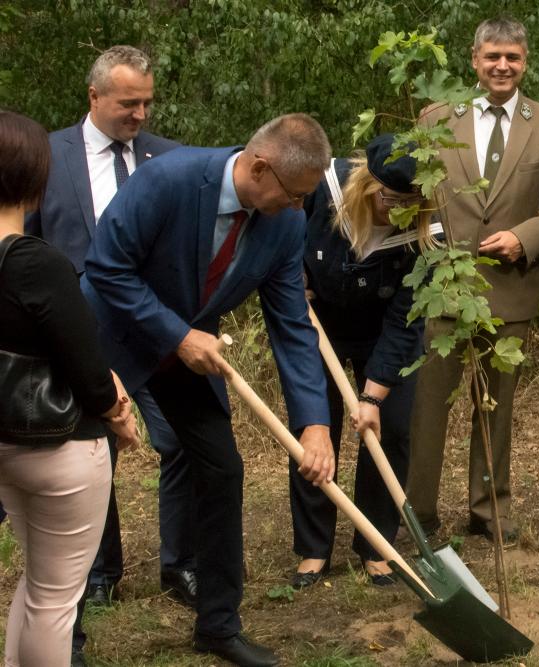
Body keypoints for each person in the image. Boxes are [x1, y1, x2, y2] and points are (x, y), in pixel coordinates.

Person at [81, 113, 335, 667]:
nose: (299, 209)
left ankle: (218, 626)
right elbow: (105, 269)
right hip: (111, 340)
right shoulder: (166, 180)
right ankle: (65, 636)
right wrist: (176, 334)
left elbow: (292, 325)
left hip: (185, 355)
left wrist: (314, 422)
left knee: (222, 468)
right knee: (83, 474)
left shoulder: (287, 225)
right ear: (260, 168)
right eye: (294, 196)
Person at [23, 46, 198, 624]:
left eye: (147, 102)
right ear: (94, 97)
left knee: (179, 443)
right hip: (77, 336)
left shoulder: (170, 159)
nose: (141, 114)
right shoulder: (47, 157)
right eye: (129, 103)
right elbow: (22, 245)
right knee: (92, 455)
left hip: (155, 335)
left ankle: (182, 564)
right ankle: (99, 573)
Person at [406, 16, 539, 542]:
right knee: (428, 410)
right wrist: (430, 245)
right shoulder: (436, 118)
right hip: (443, 290)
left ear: (525, 62)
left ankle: (489, 511)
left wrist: (524, 237)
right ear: (474, 59)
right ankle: (420, 516)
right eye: (492, 56)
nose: (502, 66)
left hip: (510, 287)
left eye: (512, 57)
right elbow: (413, 195)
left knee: (496, 410)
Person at [0, 110, 139, 667]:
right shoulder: (36, 263)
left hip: (4, 444)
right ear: (34, 175)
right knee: (55, 598)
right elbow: (86, 363)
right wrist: (118, 414)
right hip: (57, 446)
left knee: (33, 586)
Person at [290, 134, 442, 587]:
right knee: (315, 426)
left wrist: (373, 395)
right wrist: (289, 273)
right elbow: (280, 229)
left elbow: (406, 320)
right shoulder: (322, 189)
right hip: (319, 325)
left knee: (391, 428)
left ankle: (376, 544)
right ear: (367, 184)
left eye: (409, 204)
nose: (398, 212)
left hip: (384, 332)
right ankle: (314, 547)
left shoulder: (426, 236)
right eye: (390, 199)